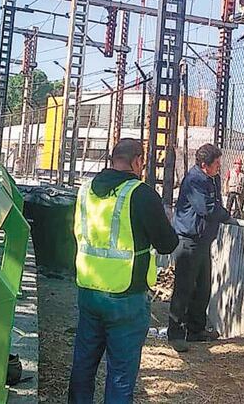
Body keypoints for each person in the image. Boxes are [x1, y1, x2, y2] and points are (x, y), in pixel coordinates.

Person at [68, 139, 178, 402]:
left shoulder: (85, 190)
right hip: (126, 296)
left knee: (83, 365)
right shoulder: (141, 194)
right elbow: (167, 244)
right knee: (120, 374)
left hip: (89, 290)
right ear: (138, 161)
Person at [169, 143, 231, 353]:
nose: (219, 167)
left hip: (203, 240)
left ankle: (196, 330)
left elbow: (216, 204)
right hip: (189, 240)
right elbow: (206, 208)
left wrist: (221, 213)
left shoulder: (212, 179)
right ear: (205, 165)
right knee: (184, 288)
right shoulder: (195, 180)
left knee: (203, 287)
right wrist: (225, 215)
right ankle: (176, 334)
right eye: (216, 164)